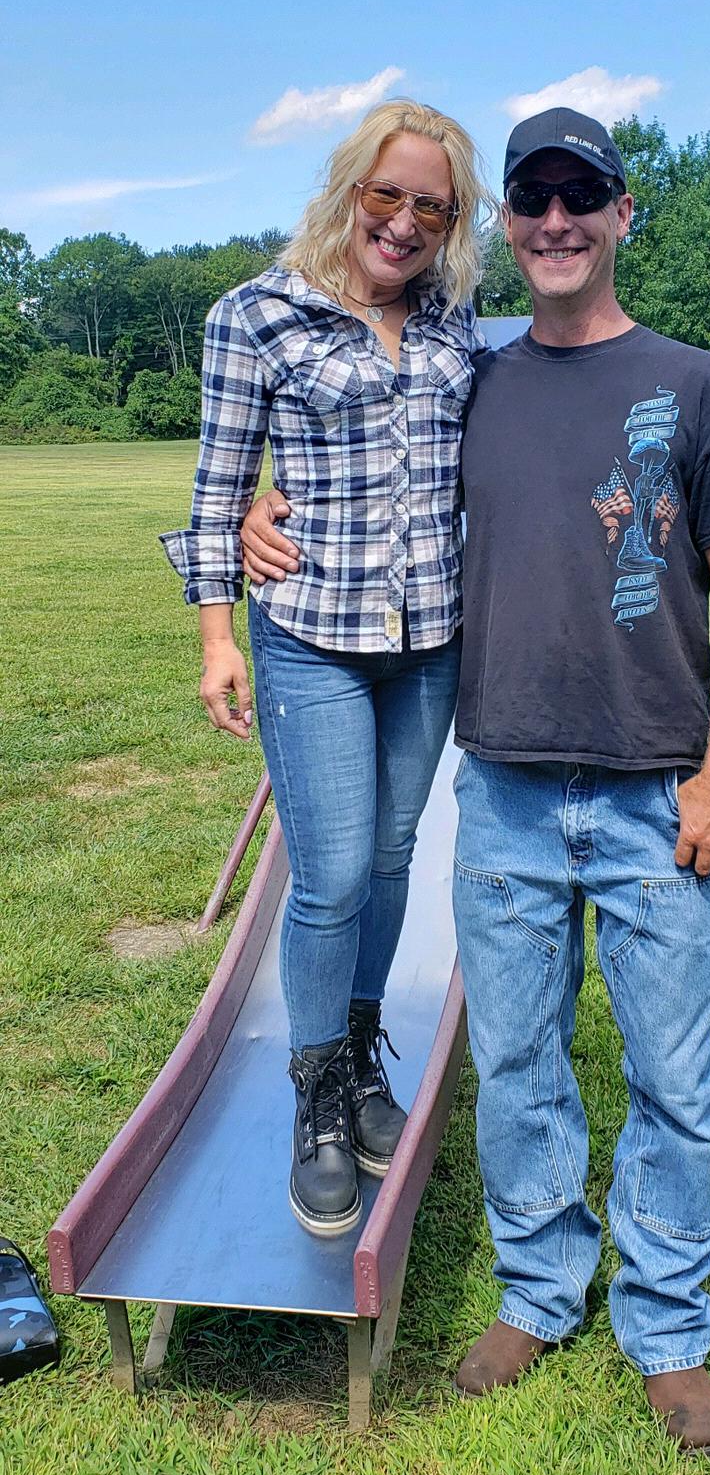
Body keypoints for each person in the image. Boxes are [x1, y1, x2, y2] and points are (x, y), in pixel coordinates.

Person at [242, 105, 710, 1457]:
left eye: (580, 197)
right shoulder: (468, 374)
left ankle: (667, 1325)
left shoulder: (695, 383)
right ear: (504, 222)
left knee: (675, 1077)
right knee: (521, 1062)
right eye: (530, 198)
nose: (554, 221)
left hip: (659, 794)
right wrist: (263, 502)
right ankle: (540, 1290)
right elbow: (354, 446)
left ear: (621, 215)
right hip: (506, 791)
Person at [161, 99, 491, 1238]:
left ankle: (357, 1051)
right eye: (386, 194)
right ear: (349, 188)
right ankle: (316, 1093)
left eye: (431, 207)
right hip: (311, 636)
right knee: (334, 872)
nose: (404, 222)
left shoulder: (454, 320)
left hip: (430, 637)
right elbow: (218, 488)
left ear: (453, 222)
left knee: (393, 860)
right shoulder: (256, 314)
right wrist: (218, 637)